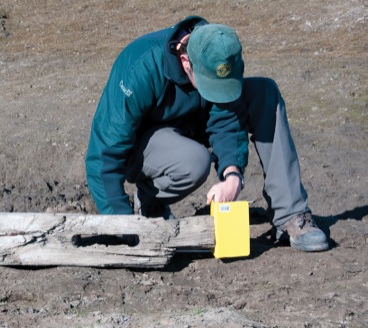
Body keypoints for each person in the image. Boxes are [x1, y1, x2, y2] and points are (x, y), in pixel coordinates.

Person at [85, 16, 330, 252]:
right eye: (210, 86)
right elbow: (103, 155)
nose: (218, 93)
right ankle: (151, 201)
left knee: (265, 93)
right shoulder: (139, 68)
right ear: (185, 61)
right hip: (149, 144)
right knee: (195, 162)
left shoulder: (217, 52)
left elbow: (226, 115)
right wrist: (122, 227)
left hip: (193, 125)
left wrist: (233, 175)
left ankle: (291, 215)